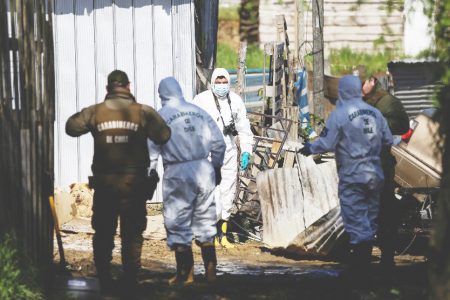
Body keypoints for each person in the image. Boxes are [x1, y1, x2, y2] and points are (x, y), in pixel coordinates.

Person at [65, 70, 171, 294]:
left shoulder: (96, 112)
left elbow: (71, 127)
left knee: (103, 233)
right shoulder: (143, 112)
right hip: (134, 186)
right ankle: (130, 281)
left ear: (108, 88)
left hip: (105, 186)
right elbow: (163, 135)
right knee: (132, 235)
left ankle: (105, 280)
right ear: (128, 86)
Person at [299, 75, 393, 281]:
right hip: (375, 175)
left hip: (353, 177)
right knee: (370, 219)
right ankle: (364, 267)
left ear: (343, 91)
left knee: (356, 220)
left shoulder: (339, 115)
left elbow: (325, 143)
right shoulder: (376, 114)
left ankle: (360, 270)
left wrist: (308, 148)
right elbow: (388, 139)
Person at [148, 77, 226, 286]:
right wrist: (216, 167)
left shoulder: (161, 117)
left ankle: (186, 274)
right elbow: (219, 142)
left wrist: (150, 173)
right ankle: (211, 272)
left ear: (162, 94)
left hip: (177, 172)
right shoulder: (199, 111)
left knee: (177, 221)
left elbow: (151, 151)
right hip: (203, 169)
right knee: (205, 219)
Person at [192, 68, 254, 248]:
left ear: (229, 82)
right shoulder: (201, 100)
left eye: (224, 82)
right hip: (207, 152)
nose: (221, 85)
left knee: (227, 191)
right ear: (212, 82)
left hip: (228, 152)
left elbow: (244, 130)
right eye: (217, 82)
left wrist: (246, 151)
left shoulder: (235, 101)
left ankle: (223, 234)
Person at [362, 75, 410, 269]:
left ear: (372, 81)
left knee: (384, 213)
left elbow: (402, 125)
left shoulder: (387, 102)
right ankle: (362, 259)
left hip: (380, 166)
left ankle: (387, 257)